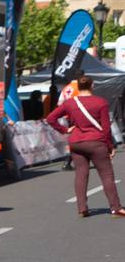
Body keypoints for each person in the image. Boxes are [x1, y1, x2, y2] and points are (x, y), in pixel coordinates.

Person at [43, 75, 125, 217]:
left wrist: (65, 130)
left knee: (81, 174)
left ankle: (82, 208)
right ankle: (115, 208)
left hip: (76, 142)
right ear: (92, 86)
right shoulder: (100, 102)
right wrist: (110, 146)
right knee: (106, 175)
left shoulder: (70, 103)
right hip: (96, 142)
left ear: (78, 87)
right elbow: (106, 128)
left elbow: (50, 118)